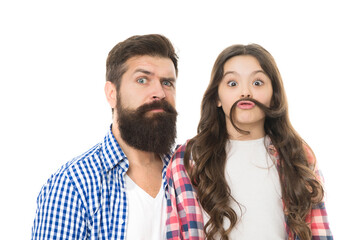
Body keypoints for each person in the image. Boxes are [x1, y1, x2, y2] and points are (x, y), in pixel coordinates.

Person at [166, 44, 333, 240]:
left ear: (274, 96)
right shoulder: (190, 157)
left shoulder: (297, 154)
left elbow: (319, 231)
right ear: (217, 98)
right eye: (232, 83)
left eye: (258, 83)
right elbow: (182, 231)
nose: (245, 92)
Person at [32, 34, 179, 239]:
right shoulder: (73, 185)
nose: (159, 93)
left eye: (167, 83)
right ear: (112, 93)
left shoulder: (188, 175)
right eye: (142, 80)